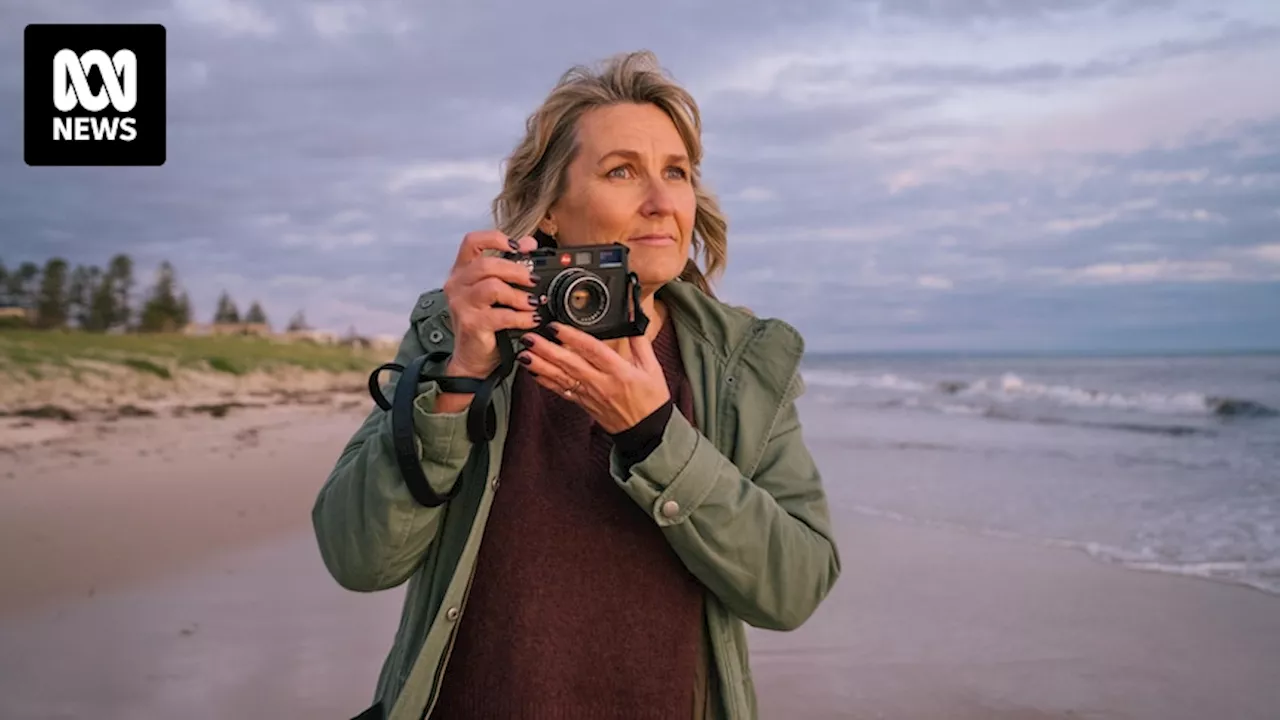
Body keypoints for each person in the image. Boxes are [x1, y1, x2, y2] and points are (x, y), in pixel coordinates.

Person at [312, 49, 841, 720]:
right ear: (553, 211)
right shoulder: (463, 333)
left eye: (676, 173)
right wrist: (459, 380)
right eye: (621, 171)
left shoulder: (743, 365)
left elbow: (795, 588)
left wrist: (656, 437)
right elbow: (359, 558)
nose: (659, 201)